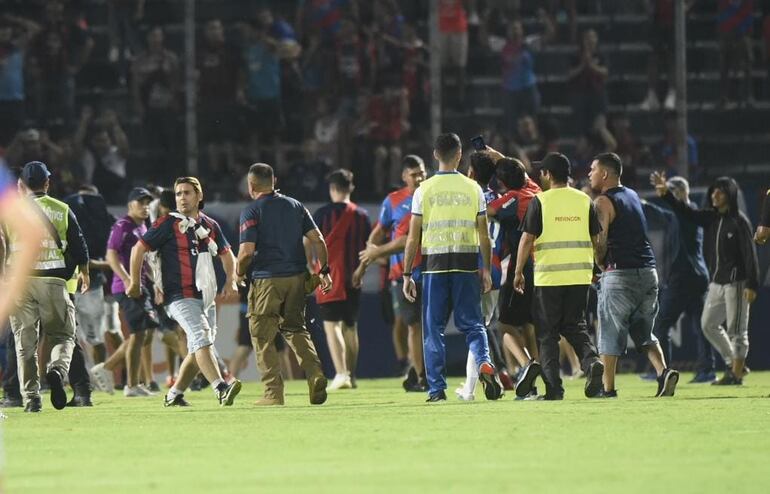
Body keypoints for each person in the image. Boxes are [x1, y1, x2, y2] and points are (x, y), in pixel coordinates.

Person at [402, 133, 504, 402]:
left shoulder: (424, 190)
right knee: (473, 325)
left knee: (433, 328)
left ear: (435, 155)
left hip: (433, 266)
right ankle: (484, 361)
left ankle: (437, 389)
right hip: (466, 263)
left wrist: (405, 273)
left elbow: (413, 236)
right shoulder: (473, 189)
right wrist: (484, 270)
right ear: (460, 155)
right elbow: (484, 235)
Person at [129, 177, 241, 407]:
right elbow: (138, 248)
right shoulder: (166, 223)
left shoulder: (210, 225)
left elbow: (227, 254)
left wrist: (231, 280)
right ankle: (220, 387)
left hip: (206, 297)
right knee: (201, 339)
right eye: (178, 194)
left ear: (199, 196)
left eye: (187, 193)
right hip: (178, 296)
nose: (181, 198)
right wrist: (134, 282)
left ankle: (175, 393)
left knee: (198, 347)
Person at [651, 172, 759, 385]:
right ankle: (734, 364)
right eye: (714, 191)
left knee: (737, 329)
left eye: (720, 191)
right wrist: (667, 196)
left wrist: (752, 283)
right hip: (716, 282)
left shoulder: (739, 221)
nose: (715, 195)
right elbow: (687, 212)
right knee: (708, 324)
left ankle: (735, 374)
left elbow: (750, 253)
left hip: (736, 282)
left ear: (730, 194)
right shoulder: (712, 217)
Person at [236, 163, 331, 406]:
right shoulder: (295, 205)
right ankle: (315, 375)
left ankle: (273, 393)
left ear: (251, 185)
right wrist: (324, 270)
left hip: (267, 279)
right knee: (296, 329)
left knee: (262, 335)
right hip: (297, 279)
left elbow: (246, 253)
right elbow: (318, 239)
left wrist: (238, 272)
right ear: (274, 181)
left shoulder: (251, 211)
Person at [513, 153, 604, 400]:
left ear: (548, 175)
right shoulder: (585, 200)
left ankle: (554, 389)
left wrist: (519, 271)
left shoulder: (540, 201)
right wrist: (596, 267)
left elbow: (527, 239)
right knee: (576, 326)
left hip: (549, 278)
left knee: (548, 334)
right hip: (580, 276)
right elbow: (598, 240)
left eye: (542, 172)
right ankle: (591, 360)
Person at [590, 153, 679, 398]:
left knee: (609, 333)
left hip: (619, 274)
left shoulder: (602, 202)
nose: (589, 174)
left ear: (605, 174)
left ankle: (608, 390)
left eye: (593, 169)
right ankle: (663, 372)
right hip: (649, 273)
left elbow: (601, 242)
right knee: (643, 332)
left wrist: (598, 265)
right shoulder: (632, 195)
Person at [8, 161, 90, 412]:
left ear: (22, 185)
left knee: (25, 343)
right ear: (47, 182)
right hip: (54, 281)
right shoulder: (62, 209)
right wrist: (84, 272)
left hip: (20, 281)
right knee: (63, 335)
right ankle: (56, 369)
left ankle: (31, 398)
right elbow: (78, 247)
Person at [355, 155, 427, 392]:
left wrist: (376, 253)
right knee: (412, 324)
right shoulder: (394, 200)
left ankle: (420, 372)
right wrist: (364, 262)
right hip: (403, 273)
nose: (419, 177)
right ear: (404, 176)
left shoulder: (432, 197)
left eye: (422, 172)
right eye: (414, 173)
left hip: (432, 269)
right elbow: (378, 233)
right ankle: (419, 374)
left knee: (427, 325)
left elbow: (407, 240)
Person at [454, 152, 513, 401]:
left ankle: (470, 388)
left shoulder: (465, 197)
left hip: (470, 268)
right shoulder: (504, 201)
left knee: (473, 329)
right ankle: (481, 380)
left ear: (470, 173)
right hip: (497, 270)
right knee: (481, 327)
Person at [485, 151, 543, 399]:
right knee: (529, 324)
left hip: (523, 267)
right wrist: (496, 155)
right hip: (543, 267)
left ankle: (525, 365)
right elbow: (519, 172)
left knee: (504, 325)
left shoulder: (511, 199)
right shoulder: (535, 190)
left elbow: (486, 210)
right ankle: (537, 378)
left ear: (503, 183)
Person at [91, 187, 160, 397]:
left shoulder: (142, 228)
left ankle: (107, 368)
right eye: (141, 202)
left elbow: (144, 260)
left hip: (140, 286)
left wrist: (156, 281)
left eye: (148, 202)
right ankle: (130, 384)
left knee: (145, 334)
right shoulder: (122, 225)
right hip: (126, 288)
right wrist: (128, 279)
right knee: (139, 334)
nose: (145, 206)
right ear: (130, 205)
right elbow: (111, 255)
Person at [646, 177, 715, 383]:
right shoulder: (686, 213)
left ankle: (661, 371)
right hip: (695, 276)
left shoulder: (689, 213)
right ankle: (707, 369)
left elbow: (671, 213)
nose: (670, 197)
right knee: (701, 325)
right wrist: (641, 203)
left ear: (682, 192)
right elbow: (664, 214)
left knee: (661, 324)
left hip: (684, 278)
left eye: (672, 192)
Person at [313, 169, 371, 390]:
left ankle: (341, 373)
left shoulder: (321, 215)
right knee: (350, 326)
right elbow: (369, 249)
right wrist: (361, 271)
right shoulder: (362, 216)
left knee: (331, 326)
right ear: (351, 188)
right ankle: (352, 376)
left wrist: (313, 268)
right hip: (353, 278)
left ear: (332, 189)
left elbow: (308, 243)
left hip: (328, 278)